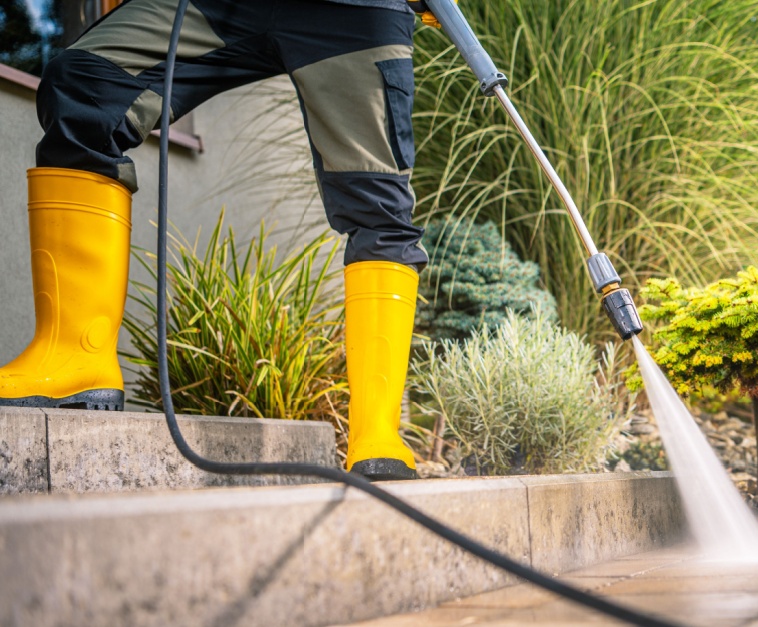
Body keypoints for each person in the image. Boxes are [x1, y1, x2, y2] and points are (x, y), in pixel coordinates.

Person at [0, 0, 445, 481]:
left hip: (353, 10)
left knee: (377, 204)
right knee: (85, 84)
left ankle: (375, 433)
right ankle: (73, 357)